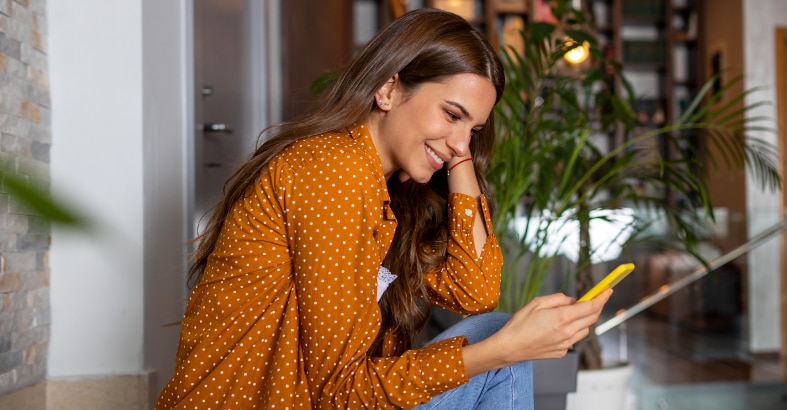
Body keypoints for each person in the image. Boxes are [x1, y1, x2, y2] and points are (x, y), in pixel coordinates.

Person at [156, 8, 611, 409]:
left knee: (493, 329)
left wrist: (461, 158)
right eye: (452, 114)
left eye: (474, 130)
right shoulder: (331, 170)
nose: (459, 143)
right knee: (500, 352)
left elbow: (474, 292)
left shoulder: (384, 189)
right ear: (389, 89)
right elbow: (340, 395)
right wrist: (503, 350)